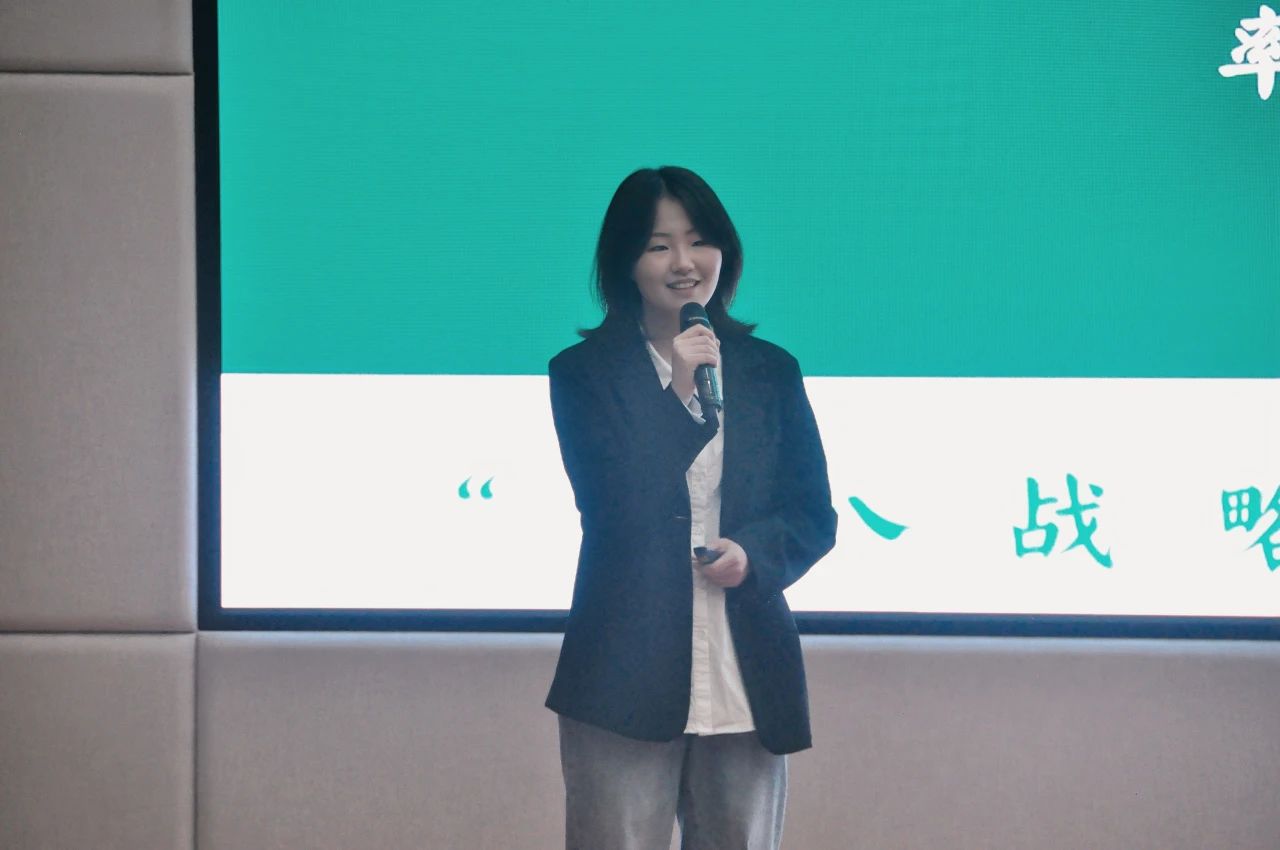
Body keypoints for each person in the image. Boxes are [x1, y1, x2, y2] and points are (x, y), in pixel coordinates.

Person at [546, 165, 837, 850]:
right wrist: (677, 394)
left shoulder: (770, 369)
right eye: (659, 245)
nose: (684, 261)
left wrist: (753, 556)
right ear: (625, 261)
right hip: (622, 673)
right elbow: (616, 506)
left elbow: (811, 513)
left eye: (699, 241)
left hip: (744, 675)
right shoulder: (584, 374)